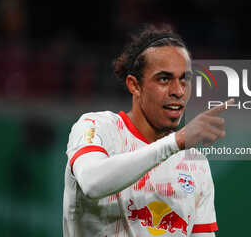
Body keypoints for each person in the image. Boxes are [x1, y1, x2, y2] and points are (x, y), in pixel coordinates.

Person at [63, 24, 231, 237]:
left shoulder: (195, 165)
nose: (178, 91)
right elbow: (92, 183)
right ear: (134, 85)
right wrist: (176, 142)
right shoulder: (97, 128)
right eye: (164, 79)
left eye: (184, 79)